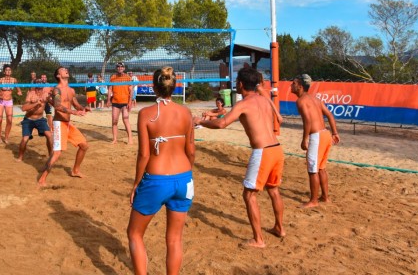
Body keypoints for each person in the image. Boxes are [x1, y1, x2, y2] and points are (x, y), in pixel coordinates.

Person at [194, 67, 285, 248]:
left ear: (241, 84)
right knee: (273, 190)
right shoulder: (264, 100)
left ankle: (258, 239)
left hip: (263, 151)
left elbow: (222, 123)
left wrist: (200, 122)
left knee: (249, 195)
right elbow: (278, 118)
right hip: (277, 149)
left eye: (236, 82)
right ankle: (279, 228)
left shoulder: (243, 104)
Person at [127, 66, 195, 275]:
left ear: (154, 87)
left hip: (157, 179)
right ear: (174, 87)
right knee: (174, 239)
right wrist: (186, 174)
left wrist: (136, 183)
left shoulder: (146, 114)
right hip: (184, 179)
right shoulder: (186, 113)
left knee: (134, 234)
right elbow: (191, 151)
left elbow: (144, 155)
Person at [291, 74, 341, 208]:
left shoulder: (301, 101)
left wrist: (304, 139)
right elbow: (330, 115)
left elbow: (307, 121)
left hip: (316, 136)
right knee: (321, 168)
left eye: (294, 83)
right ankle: (325, 197)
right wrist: (335, 132)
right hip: (325, 134)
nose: (291, 85)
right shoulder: (315, 99)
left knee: (312, 169)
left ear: (300, 86)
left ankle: (313, 200)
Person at [37, 67, 90, 186]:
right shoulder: (57, 90)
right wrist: (74, 112)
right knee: (57, 153)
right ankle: (42, 179)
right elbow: (58, 106)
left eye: (66, 69)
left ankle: (75, 170)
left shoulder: (71, 90)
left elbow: (75, 104)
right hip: (59, 123)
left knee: (84, 146)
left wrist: (82, 108)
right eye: (62, 69)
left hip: (67, 124)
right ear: (58, 75)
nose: (66, 69)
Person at [17, 79, 53, 161]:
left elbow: (55, 102)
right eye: (38, 83)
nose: (40, 84)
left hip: (40, 119)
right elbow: (23, 108)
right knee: (25, 139)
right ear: (35, 85)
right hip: (28, 119)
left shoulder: (46, 95)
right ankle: (20, 156)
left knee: (49, 135)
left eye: (41, 83)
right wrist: (36, 103)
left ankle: (51, 155)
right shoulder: (30, 94)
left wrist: (52, 97)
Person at [0, 64, 22, 144]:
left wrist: (19, 91)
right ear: (4, 72)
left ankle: (6, 138)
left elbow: (18, 89)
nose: (8, 71)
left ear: (11, 72)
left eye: (9, 70)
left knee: (10, 120)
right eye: (7, 70)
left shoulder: (14, 80)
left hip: (9, 101)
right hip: (0, 101)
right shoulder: (0, 80)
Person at [107, 62, 133, 144]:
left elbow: (131, 91)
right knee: (114, 121)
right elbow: (110, 89)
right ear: (116, 68)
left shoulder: (128, 78)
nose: (120, 68)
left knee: (126, 120)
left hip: (125, 102)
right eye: (118, 67)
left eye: (121, 67)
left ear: (124, 68)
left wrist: (130, 102)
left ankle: (130, 139)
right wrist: (108, 100)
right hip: (115, 102)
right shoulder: (113, 77)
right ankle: (114, 139)